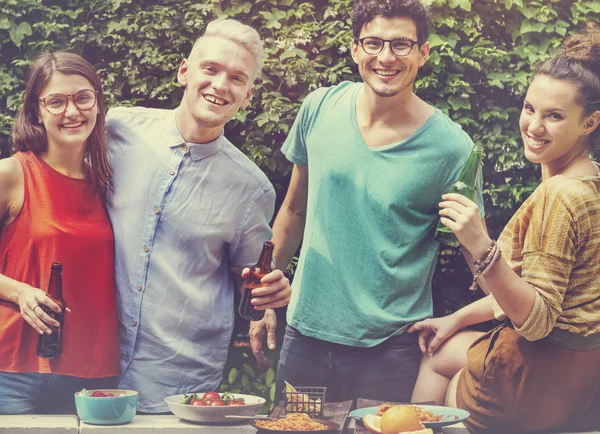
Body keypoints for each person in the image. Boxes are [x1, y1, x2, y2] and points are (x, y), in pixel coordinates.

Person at [262, 0, 484, 402]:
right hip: (305, 339)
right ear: (355, 49)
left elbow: (474, 249)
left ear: (423, 52)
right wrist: (263, 299)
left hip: (392, 349)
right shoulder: (319, 107)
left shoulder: (453, 148)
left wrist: (522, 310)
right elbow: (293, 209)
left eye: (401, 44)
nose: (386, 57)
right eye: (374, 43)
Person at [409, 23, 600, 433]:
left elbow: (537, 318)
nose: (534, 126)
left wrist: (481, 246)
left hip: (534, 382)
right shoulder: (592, 183)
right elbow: (554, 292)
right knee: (447, 343)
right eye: (530, 108)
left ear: (590, 123)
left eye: (554, 116)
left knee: (438, 362)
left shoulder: (561, 195)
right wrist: (457, 318)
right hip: (584, 385)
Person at [105, 18, 291, 413]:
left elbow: (252, 281)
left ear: (248, 94)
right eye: (211, 69)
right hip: (91, 364)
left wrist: (270, 297)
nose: (221, 85)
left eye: (237, 78)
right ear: (185, 71)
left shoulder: (251, 189)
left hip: (178, 382)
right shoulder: (115, 130)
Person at [0, 52, 121, 414]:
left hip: (94, 375)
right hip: (12, 373)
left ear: (98, 104)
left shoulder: (109, 183)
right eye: (56, 101)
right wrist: (19, 291)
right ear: (36, 111)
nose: (72, 112)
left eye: (83, 97)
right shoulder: (12, 174)